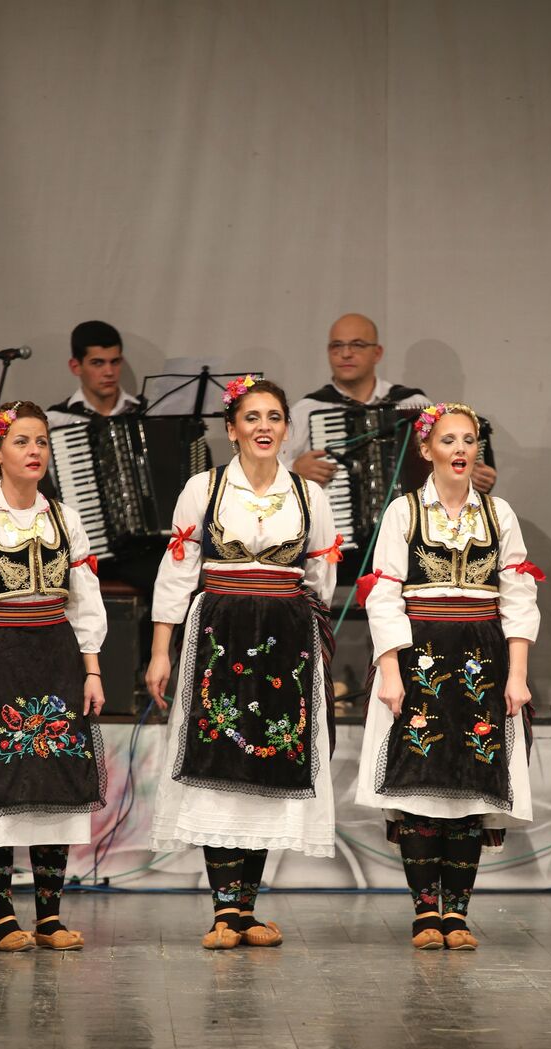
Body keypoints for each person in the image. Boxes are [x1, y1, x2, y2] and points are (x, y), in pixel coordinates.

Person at [146, 376, 338, 950]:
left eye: (274, 417)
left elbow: (321, 579)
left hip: (286, 638)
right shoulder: (203, 488)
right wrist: (160, 650)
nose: (263, 427)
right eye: (251, 417)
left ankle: (247, 909)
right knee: (218, 759)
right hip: (219, 634)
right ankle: (224, 910)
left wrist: (304, 634)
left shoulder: (310, 495)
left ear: (287, 429)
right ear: (231, 430)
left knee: (269, 764)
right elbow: (176, 573)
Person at [354, 402, 540, 950]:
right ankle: (424, 911)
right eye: (449, 440)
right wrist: (390, 671)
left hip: (482, 661)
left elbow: (518, 597)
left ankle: (456, 913)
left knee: (470, 788)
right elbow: (384, 595)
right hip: (421, 659)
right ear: (426, 449)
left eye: (469, 440)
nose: (460, 449)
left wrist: (518, 675)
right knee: (419, 786)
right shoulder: (404, 512)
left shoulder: (498, 514)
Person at [0, 401, 107, 951]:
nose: (35, 451)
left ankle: (49, 917)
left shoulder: (65, 518)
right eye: (22, 441)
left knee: (57, 778)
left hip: (56, 657)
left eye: (42, 442)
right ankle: (3, 918)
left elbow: (86, 601)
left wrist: (92, 670)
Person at [283, 314, 498, 495]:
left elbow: (445, 459)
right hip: (336, 531)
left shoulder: (414, 404)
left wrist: (468, 476)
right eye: (336, 346)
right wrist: (295, 470)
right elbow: (268, 471)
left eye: (357, 345)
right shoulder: (306, 410)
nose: (346, 354)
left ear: (377, 353)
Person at [47, 320, 143, 428]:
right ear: (76, 367)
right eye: (97, 363)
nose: (109, 372)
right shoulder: (55, 420)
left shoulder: (146, 412)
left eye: (115, 362)